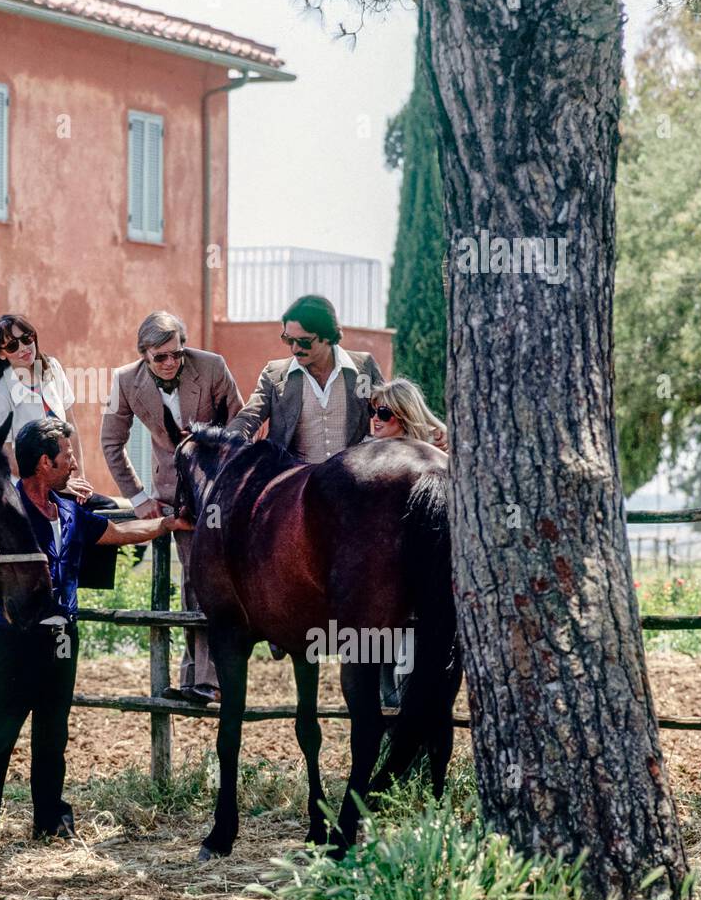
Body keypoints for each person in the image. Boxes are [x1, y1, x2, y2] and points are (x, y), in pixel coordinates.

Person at [0, 418, 190, 851]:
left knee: (53, 736)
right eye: (66, 456)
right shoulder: (5, 506)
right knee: (1, 734)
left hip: (63, 636)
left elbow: (117, 533)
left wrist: (164, 526)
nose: (73, 463)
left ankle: (50, 822)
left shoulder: (68, 510)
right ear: (45, 461)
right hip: (16, 636)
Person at [100, 310, 243, 704]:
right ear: (144, 354)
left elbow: (240, 421)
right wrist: (139, 496)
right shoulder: (124, 381)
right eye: (160, 356)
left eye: (176, 354)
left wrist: (217, 460)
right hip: (174, 496)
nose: (170, 363)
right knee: (196, 582)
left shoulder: (212, 367)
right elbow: (111, 442)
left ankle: (214, 675)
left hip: (221, 488)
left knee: (226, 578)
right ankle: (203, 680)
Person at [226, 293, 385, 462]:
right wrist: (225, 444)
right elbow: (250, 416)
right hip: (296, 482)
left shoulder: (363, 368)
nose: (294, 349)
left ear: (328, 337)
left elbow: (389, 415)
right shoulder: (275, 374)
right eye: (288, 340)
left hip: (353, 478)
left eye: (304, 341)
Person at [0, 313, 92, 501]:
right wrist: (53, 482)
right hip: (28, 492)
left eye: (26, 338)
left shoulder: (53, 368)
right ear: (0, 353)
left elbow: (70, 427)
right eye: (12, 345)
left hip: (64, 483)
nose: (24, 348)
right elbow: (4, 452)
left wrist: (79, 476)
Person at [369, 378, 449, 452]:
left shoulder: (437, 444)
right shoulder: (370, 447)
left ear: (404, 414)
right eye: (373, 411)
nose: (375, 418)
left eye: (383, 412)